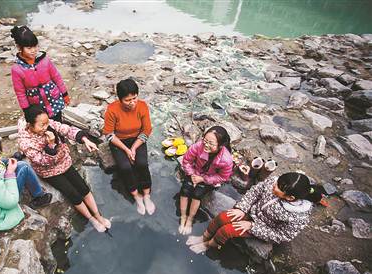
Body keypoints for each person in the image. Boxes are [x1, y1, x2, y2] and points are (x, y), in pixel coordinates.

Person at [17, 105, 111, 232]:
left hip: (64, 162)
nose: (46, 127)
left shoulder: (47, 123)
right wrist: (51, 145)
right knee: (73, 194)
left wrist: (84, 139)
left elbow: (65, 129)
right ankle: (92, 219)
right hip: (49, 171)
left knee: (83, 188)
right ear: (29, 125)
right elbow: (42, 161)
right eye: (42, 125)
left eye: (47, 122)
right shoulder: (25, 142)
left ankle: (98, 215)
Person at [186, 172, 325, 253]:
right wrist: (241, 208)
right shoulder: (274, 182)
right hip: (249, 212)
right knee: (222, 217)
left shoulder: (298, 216)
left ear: (290, 197)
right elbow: (255, 192)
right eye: (277, 182)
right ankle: (204, 236)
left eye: (278, 187)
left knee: (226, 231)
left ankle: (208, 245)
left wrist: (253, 227)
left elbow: (283, 235)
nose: (273, 185)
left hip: (261, 227)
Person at [103, 78, 154, 215]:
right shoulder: (112, 110)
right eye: (127, 100)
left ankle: (147, 194)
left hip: (137, 139)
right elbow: (109, 134)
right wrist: (126, 150)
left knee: (142, 163)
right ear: (120, 99)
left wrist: (134, 148)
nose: (132, 103)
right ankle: (136, 196)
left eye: (134, 98)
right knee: (125, 167)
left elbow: (146, 130)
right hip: (119, 141)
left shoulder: (142, 106)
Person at [178, 126, 233, 235]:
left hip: (209, 178)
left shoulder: (226, 160)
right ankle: (183, 216)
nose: (206, 145)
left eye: (211, 143)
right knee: (185, 190)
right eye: (205, 141)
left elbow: (223, 177)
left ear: (221, 145)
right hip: (194, 172)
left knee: (197, 194)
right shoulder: (198, 146)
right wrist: (192, 174)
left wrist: (203, 179)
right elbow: (187, 161)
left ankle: (190, 219)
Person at [10, 25, 69, 122]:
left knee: (58, 122)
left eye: (35, 46)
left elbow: (56, 77)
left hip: (54, 99)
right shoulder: (17, 69)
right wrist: (26, 110)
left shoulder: (45, 60)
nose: (33, 50)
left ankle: (59, 137)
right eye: (29, 48)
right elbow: (20, 92)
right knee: (43, 127)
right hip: (36, 105)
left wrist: (65, 94)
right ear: (20, 47)